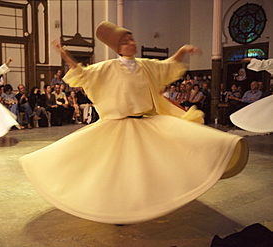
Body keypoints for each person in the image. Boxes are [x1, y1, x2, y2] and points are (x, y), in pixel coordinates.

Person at [20, 21, 248, 224]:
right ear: (118, 48)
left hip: (145, 123)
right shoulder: (107, 67)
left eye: (132, 39)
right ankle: (119, 208)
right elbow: (82, 73)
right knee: (117, 169)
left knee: (157, 160)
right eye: (127, 41)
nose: (132, 43)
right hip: (117, 126)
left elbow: (167, 67)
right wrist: (64, 53)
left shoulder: (144, 65)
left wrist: (181, 51)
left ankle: (150, 198)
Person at [229, 58, 273, 133]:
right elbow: (266, 64)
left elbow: (266, 64)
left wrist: (252, 60)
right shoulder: (247, 91)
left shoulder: (258, 92)